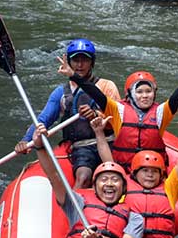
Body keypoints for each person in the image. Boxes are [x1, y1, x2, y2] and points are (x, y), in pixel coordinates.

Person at [56, 55, 178, 170]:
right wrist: (73, 75)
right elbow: (94, 92)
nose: (145, 96)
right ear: (130, 94)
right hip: (124, 170)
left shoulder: (161, 112)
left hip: (152, 170)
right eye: (140, 91)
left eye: (148, 91)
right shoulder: (118, 110)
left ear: (154, 93)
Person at [16, 38, 121, 189]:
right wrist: (26, 141)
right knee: (83, 176)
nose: (79, 65)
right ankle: (74, 210)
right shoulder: (61, 93)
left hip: (108, 142)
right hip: (82, 146)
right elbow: (44, 119)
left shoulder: (107, 86)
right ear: (69, 62)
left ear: (92, 62)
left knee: (118, 176)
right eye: (75, 60)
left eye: (84, 60)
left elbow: (116, 120)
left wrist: (95, 115)